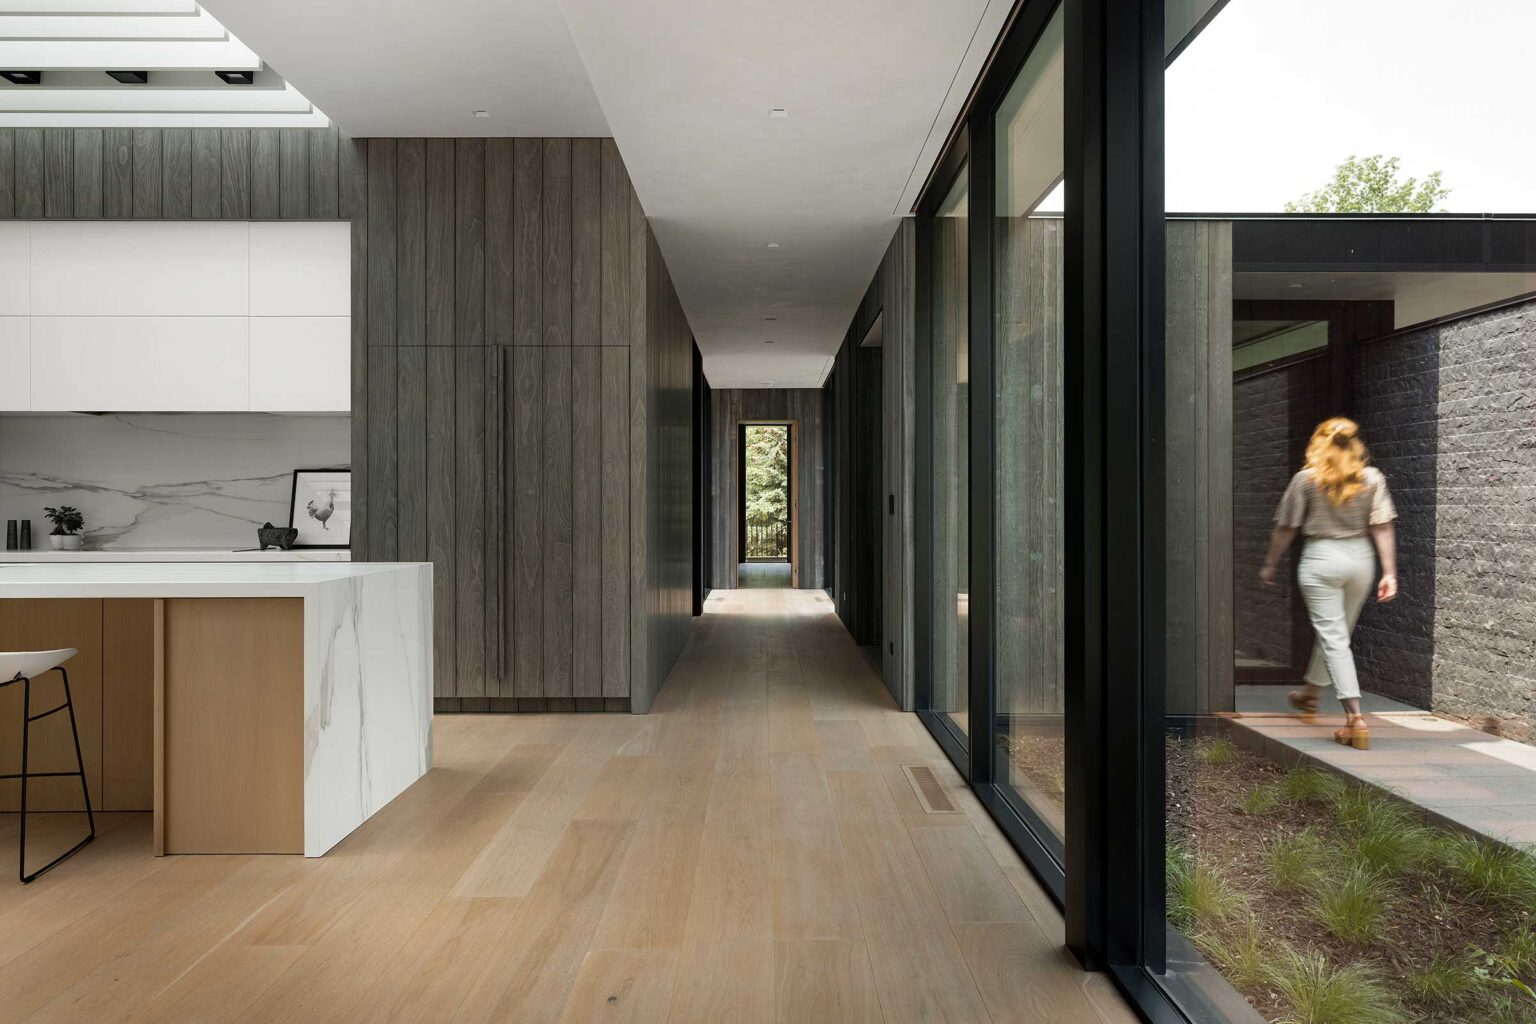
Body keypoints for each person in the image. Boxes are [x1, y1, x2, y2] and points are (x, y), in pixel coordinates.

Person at [1259, 417, 1398, 750]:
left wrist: (1270, 562)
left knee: (1333, 636)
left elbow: (1286, 527)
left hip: (1321, 558)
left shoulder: (1306, 479)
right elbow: (1382, 526)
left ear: (1318, 443)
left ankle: (1355, 719)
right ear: (1354, 444)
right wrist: (1389, 571)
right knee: (1337, 633)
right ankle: (1310, 694)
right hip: (1361, 559)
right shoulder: (1372, 477)